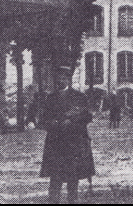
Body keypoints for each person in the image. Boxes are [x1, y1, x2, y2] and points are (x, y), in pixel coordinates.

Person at [39, 66, 95, 204]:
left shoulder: (79, 97)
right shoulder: (50, 98)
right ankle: (53, 201)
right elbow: (42, 120)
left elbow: (87, 117)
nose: (61, 81)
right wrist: (54, 122)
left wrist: (72, 120)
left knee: (73, 175)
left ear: (69, 79)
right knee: (55, 177)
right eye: (58, 78)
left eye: (64, 78)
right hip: (56, 142)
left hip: (73, 142)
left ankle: (72, 200)